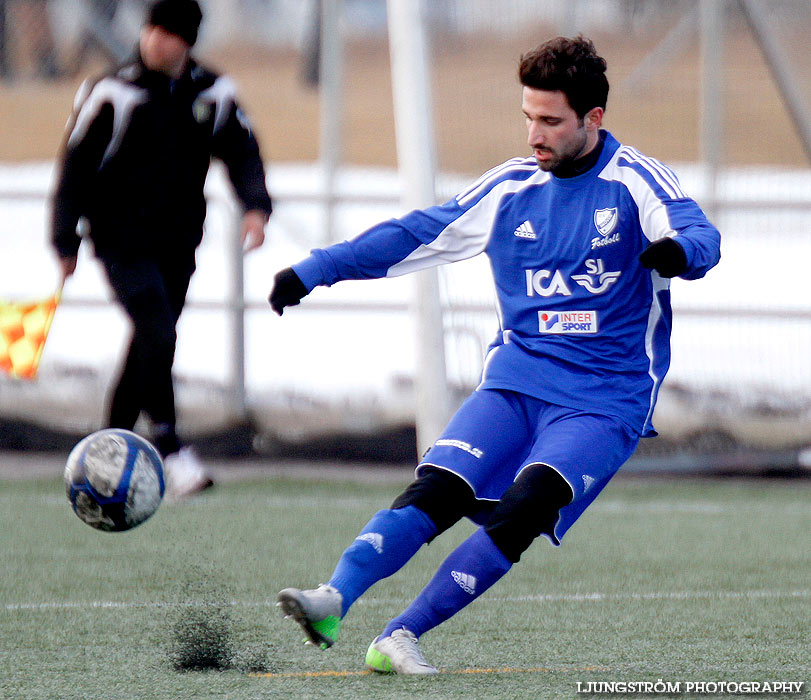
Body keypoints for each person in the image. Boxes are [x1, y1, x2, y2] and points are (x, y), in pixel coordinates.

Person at [269, 35, 721, 674]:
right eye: (528, 117)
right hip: (515, 382)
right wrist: (317, 268)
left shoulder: (636, 183)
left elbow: (697, 231)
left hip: (605, 397)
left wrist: (680, 254)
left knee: (527, 505)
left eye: (551, 121)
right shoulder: (510, 188)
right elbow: (415, 233)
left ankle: (400, 635)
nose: (535, 134)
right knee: (438, 490)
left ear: (594, 119)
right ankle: (333, 597)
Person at [51, 0, 273, 500]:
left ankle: (103, 452)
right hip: (119, 240)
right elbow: (76, 166)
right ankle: (170, 449)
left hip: (178, 243)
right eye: (151, 29)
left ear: (187, 41)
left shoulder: (212, 92)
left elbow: (242, 152)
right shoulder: (114, 90)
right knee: (155, 327)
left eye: (168, 33)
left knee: (149, 342)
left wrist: (256, 207)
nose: (155, 40)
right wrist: (64, 238)